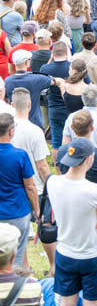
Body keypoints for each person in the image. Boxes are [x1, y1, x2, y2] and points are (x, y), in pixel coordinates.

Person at [47, 137, 97, 306]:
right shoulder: (96, 191)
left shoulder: (53, 183)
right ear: (90, 159)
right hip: (92, 255)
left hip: (65, 253)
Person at [0, 112, 37, 272]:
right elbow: (30, 187)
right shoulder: (20, 155)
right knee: (17, 255)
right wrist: (37, 208)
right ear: (11, 131)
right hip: (17, 211)